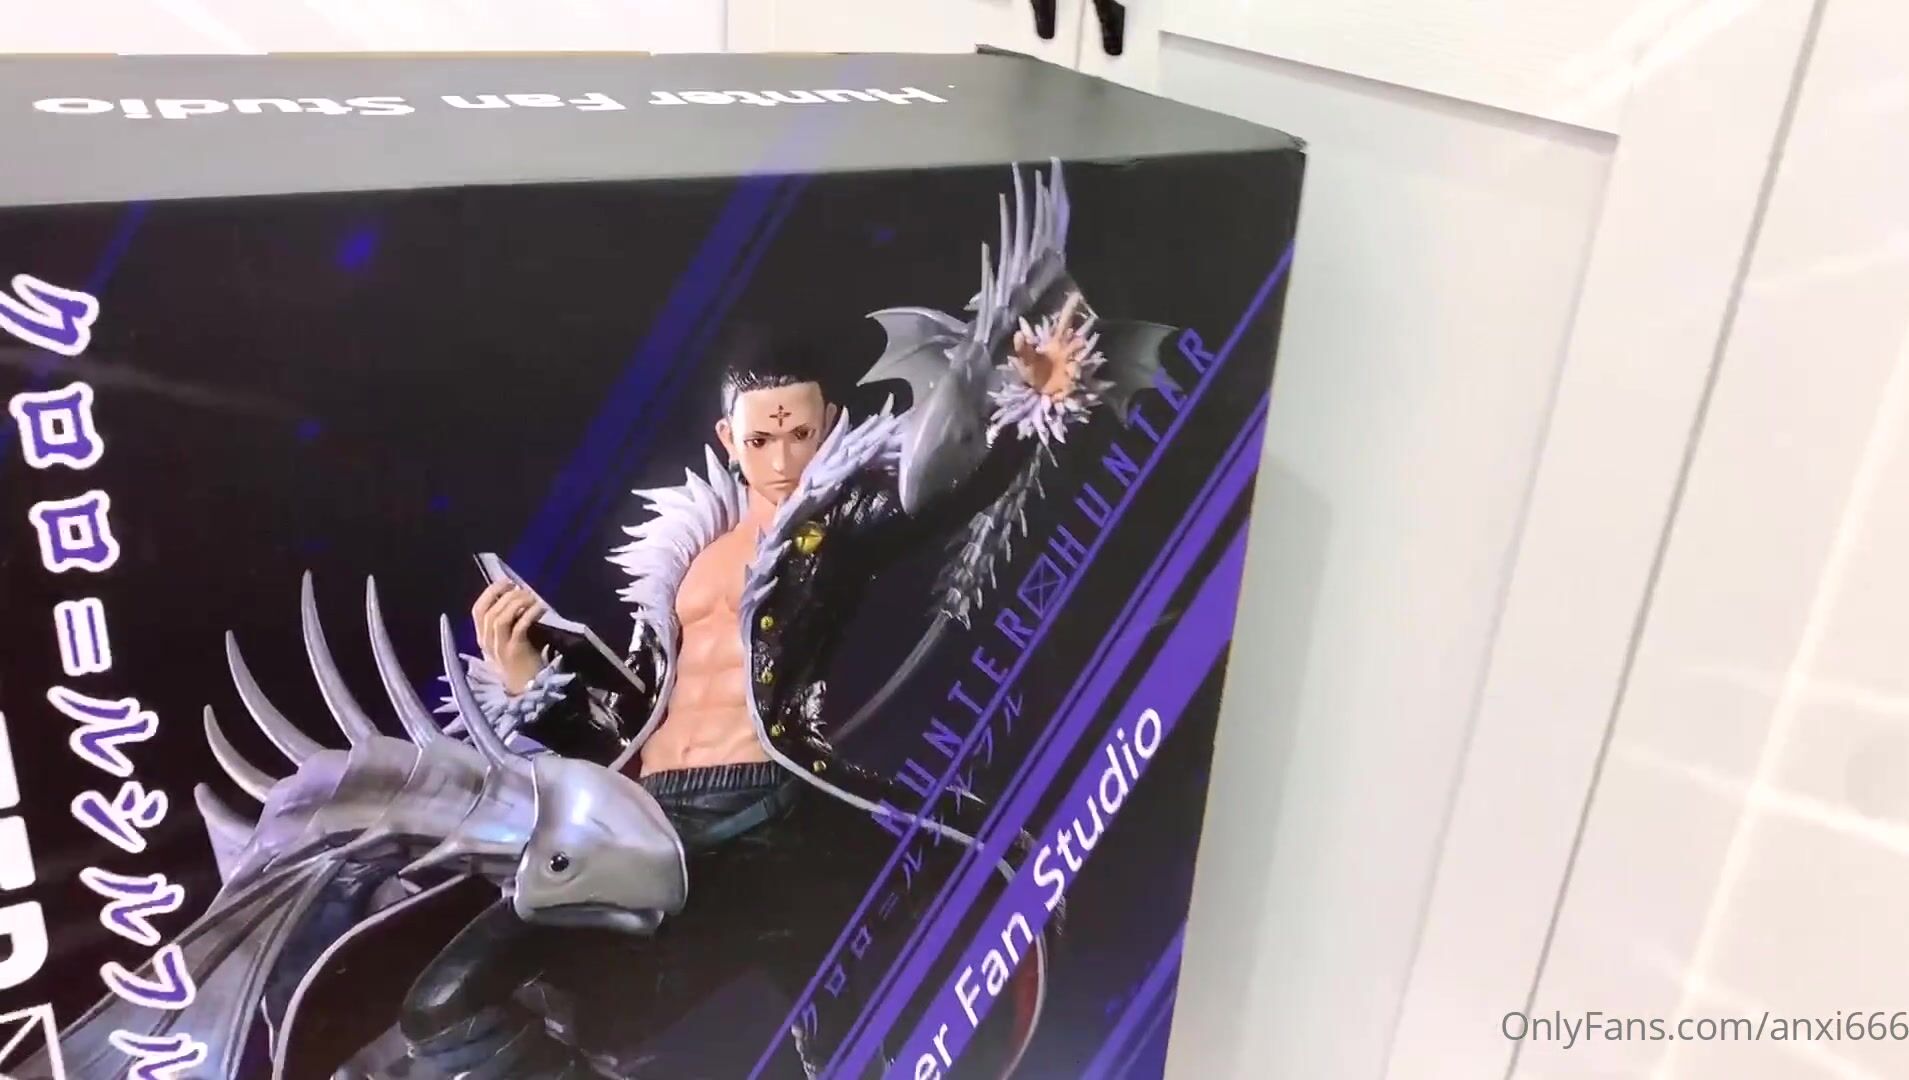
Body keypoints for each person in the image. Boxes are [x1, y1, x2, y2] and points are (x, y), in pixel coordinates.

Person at [402, 161, 1171, 1078]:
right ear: (727, 439)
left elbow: (937, 487)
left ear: (829, 424)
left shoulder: (832, 531)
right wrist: (532, 680)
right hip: (649, 820)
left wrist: (1026, 397)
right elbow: (636, 724)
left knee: (829, 1032)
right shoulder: (684, 554)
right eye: (760, 438)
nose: (779, 459)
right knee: (446, 1005)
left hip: (767, 811)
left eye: (799, 434)